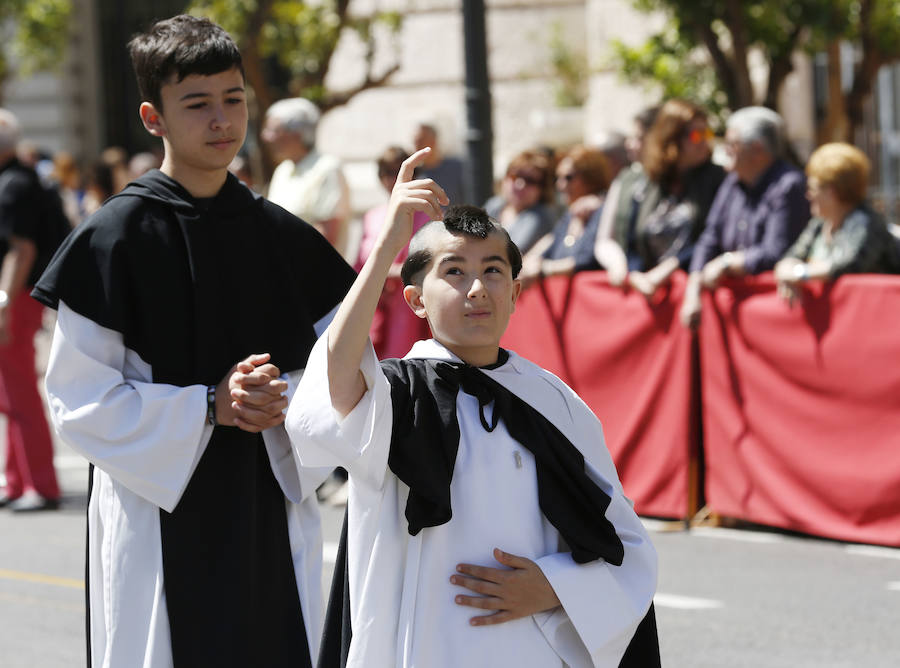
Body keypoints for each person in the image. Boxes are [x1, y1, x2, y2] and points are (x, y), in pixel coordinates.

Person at [31, 15, 355, 667]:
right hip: (157, 508)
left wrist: (284, 400)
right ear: (154, 117)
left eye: (233, 99)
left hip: (268, 496)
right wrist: (210, 405)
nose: (221, 121)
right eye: (197, 103)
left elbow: (340, 371)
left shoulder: (283, 236)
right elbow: (78, 397)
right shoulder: (114, 238)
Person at [286, 149, 659, 667]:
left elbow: (626, 543)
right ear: (415, 300)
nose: (477, 289)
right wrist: (387, 247)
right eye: (454, 271)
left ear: (515, 293)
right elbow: (334, 382)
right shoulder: (396, 391)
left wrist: (556, 588)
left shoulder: (553, 402)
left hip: (532, 647)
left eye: (493, 271)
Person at [680, 106, 809, 327]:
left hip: (774, 316)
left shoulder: (789, 186)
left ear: (757, 149)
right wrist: (693, 289)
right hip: (731, 316)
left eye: (732, 144)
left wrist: (726, 263)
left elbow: (775, 252)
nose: (725, 150)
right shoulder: (732, 183)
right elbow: (710, 237)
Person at [595, 99, 725, 299]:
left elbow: (712, 238)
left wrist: (672, 267)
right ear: (671, 138)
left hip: (695, 294)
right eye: (696, 134)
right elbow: (630, 238)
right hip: (649, 294)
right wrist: (632, 273)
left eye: (706, 132)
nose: (704, 140)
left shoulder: (718, 179)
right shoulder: (648, 182)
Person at [0, 108, 63, 512]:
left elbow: (21, 249)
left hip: (16, 296)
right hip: (14, 295)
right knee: (11, 392)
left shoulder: (15, 184)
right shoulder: (17, 179)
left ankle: (39, 484)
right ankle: (17, 480)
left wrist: (3, 302)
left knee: (20, 390)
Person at [774, 142, 900, 305]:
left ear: (831, 191)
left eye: (812, 188)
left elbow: (848, 265)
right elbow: (792, 256)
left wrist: (799, 274)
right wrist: (785, 272)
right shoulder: (819, 224)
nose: (808, 195)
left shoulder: (867, 223)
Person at [355, 145, 432, 360]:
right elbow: (359, 263)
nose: (392, 179)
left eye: (398, 172)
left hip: (410, 306)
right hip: (376, 302)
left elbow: (433, 261)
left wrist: (391, 271)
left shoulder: (428, 214)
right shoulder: (372, 216)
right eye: (386, 172)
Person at [262, 97, 353, 260]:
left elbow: (326, 236)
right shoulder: (283, 170)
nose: (265, 136)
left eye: (273, 130)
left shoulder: (328, 168)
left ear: (296, 134)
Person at [519, 145, 610, 286]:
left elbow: (585, 261)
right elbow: (547, 245)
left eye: (568, 177)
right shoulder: (568, 216)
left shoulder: (602, 211)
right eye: (558, 178)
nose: (560, 185)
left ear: (591, 178)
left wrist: (543, 269)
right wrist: (526, 266)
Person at [484, 149, 558, 255]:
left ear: (542, 190)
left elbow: (511, 253)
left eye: (530, 181)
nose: (520, 185)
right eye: (515, 176)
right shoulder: (495, 205)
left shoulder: (541, 215)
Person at [413, 121, 469, 208]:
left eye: (421, 141)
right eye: (415, 141)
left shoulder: (456, 168)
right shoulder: (413, 174)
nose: (417, 145)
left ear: (433, 141)